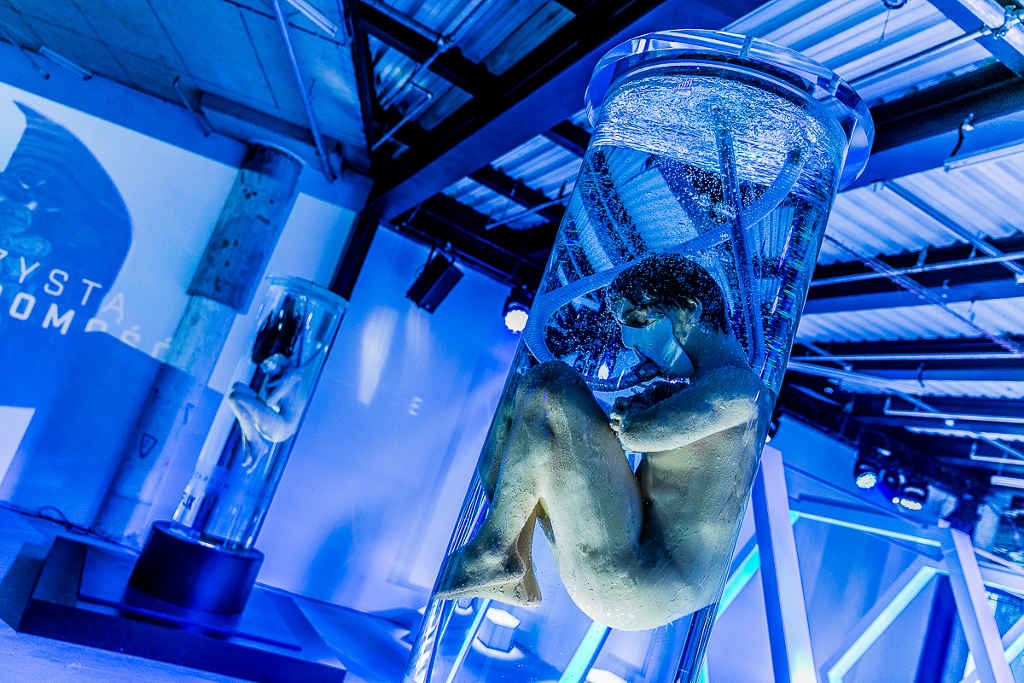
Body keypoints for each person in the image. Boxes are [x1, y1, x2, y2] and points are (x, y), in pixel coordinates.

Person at [435, 255, 774, 631]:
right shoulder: (702, 389)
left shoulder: (743, 389)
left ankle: (495, 549)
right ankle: (511, 553)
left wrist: (635, 414)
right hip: (623, 563)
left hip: (640, 581)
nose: (629, 341)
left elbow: (636, 435)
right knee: (524, 394)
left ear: (688, 310)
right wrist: (643, 407)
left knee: (551, 384)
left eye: (636, 321)